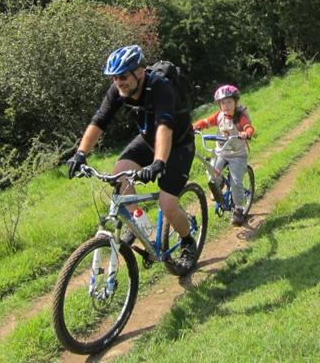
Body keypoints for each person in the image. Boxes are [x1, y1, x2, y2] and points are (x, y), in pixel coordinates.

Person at [66, 45, 197, 266]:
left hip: (178, 144)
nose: (119, 82)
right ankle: (141, 229)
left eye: (123, 76)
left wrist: (158, 163)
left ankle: (187, 242)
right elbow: (99, 120)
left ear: (140, 72)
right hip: (148, 139)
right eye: (114, 78)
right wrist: (80, 154)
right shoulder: (118, 91)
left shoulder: (160, 87)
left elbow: (165, 126)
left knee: (167, 204)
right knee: (120, 174)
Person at [192, 84, 255, 226]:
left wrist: (247, 133)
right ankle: (219, 185)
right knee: (211, 175)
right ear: (219, 105)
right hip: (222, 152)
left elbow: (248, 127)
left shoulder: (240, 117)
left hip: (237, 155)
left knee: (236, 182)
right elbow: (206, 122)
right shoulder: (219, 116)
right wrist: (194, 127)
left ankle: (239, 209)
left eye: (229, 102)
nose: (226, 105)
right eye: (222, 103)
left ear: (235, 102)